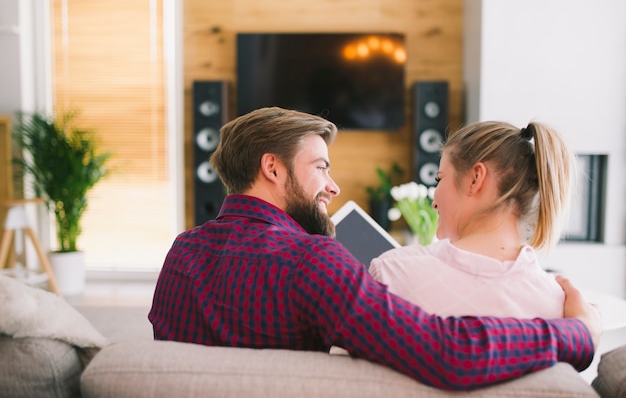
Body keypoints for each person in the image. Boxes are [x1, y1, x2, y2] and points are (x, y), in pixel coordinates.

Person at [149, 108, 600, 391]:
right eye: (321, 167)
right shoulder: (314, 262)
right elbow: (450, 353)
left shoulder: (181, 253)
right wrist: (577, 334)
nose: (333, 185)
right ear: (272, 167)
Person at [369, 121, 574, 319]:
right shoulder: (558, 304)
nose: (434, 202)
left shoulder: (392, 273)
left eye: (440, 179)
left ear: (475, 178)